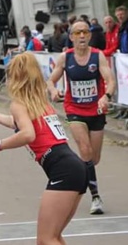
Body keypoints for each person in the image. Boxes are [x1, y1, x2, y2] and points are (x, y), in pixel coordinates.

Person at [0, 52, 98, 245]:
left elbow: (27, 134)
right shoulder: (39, 103)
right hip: (74, 167)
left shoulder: (20, 103)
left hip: (62, 171)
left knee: (45, 239)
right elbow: (20, 123)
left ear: (16, 76)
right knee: (54, 236)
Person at [47, 20, 116, 215]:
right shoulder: (65, 57)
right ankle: (95, 196)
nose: (82, 36)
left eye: (85, 32)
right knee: (84, 150)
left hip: (96, 110)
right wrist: (53, 91)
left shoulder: (98, 56)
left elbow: (110, 81)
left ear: (90, 35)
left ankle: (84, 172)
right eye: (78, 33)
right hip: (74, 109)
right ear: (71, 37)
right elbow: (51, 81)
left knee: (94, 158)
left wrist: (106, 96)